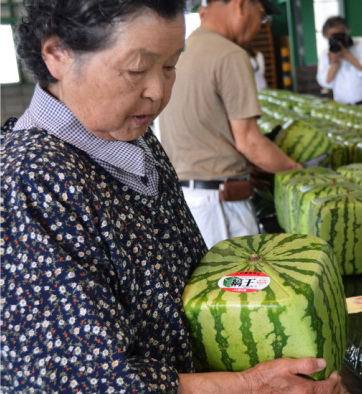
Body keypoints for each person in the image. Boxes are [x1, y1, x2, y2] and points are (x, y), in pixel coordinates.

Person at [0, 1, 343, 392]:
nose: (158, 92)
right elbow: (81, 381)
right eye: (136, 69)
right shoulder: (28, 182)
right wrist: (250, 384)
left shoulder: (134, 139)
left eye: (170, 66)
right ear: (57, 54)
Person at [158, 0, 303, 249]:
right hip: (221, 207)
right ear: (242, 5)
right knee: (239, 285)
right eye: (262, 15)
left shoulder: (183, 48)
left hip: (189, 201)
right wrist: (299, 172)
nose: (260, 25)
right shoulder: (229, 54)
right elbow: (250, 142)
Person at [316, 16, 362, 110]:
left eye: (338, 36)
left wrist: (345, 54)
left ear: (346, 32)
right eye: (332, 38)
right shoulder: (325, 54)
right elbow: (326, 82)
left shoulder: (361, 44)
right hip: (342, 107)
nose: (336, 40)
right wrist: (334, 63)